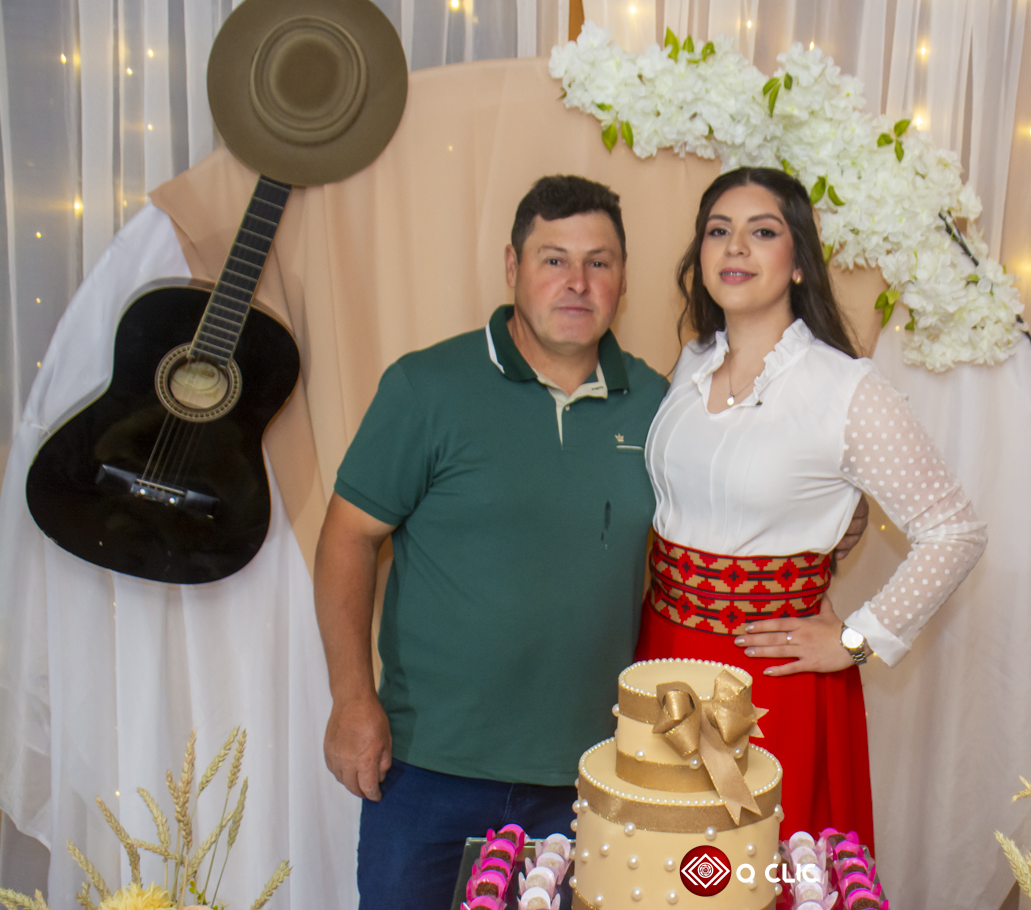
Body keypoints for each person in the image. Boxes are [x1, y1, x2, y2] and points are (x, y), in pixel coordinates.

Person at [314, 174, 867, 910]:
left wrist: (840, 548)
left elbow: (750, 487)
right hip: (432, 765)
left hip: (598, 777)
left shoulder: (662, 406)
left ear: (623, 280)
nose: (576, 282)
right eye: (554, 260)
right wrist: (352, 698)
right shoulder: (427, 388)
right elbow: (347, 537)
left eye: (598, 262)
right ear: (512, 267)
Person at [636, 166, 988, 844]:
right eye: (718, 231)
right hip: (663, 656)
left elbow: (954, 531)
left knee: (756, 868)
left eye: (762, 232)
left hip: (770, 680)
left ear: (798, 262)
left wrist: (857, 640)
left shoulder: (846, 388)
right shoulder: (692, 362)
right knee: (657, 866)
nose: (736, 247)